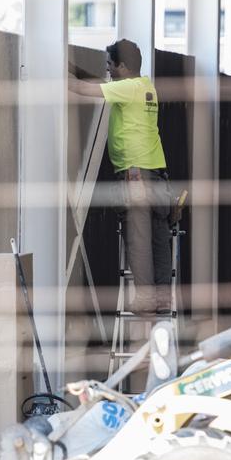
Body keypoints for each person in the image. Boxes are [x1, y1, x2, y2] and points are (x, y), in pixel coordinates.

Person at [68, 39, 173, 314]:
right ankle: (162, 296)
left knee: (138, 238)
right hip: (157, 173)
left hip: (135, 175)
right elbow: (101, 84)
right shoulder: (144, 86)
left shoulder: (127, 89)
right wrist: (75, 69)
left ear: (123, 66)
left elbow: (83, 89)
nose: (108, 71)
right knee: (158, 237)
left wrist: (55, 74)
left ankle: (147, 298)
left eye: (110, 66)